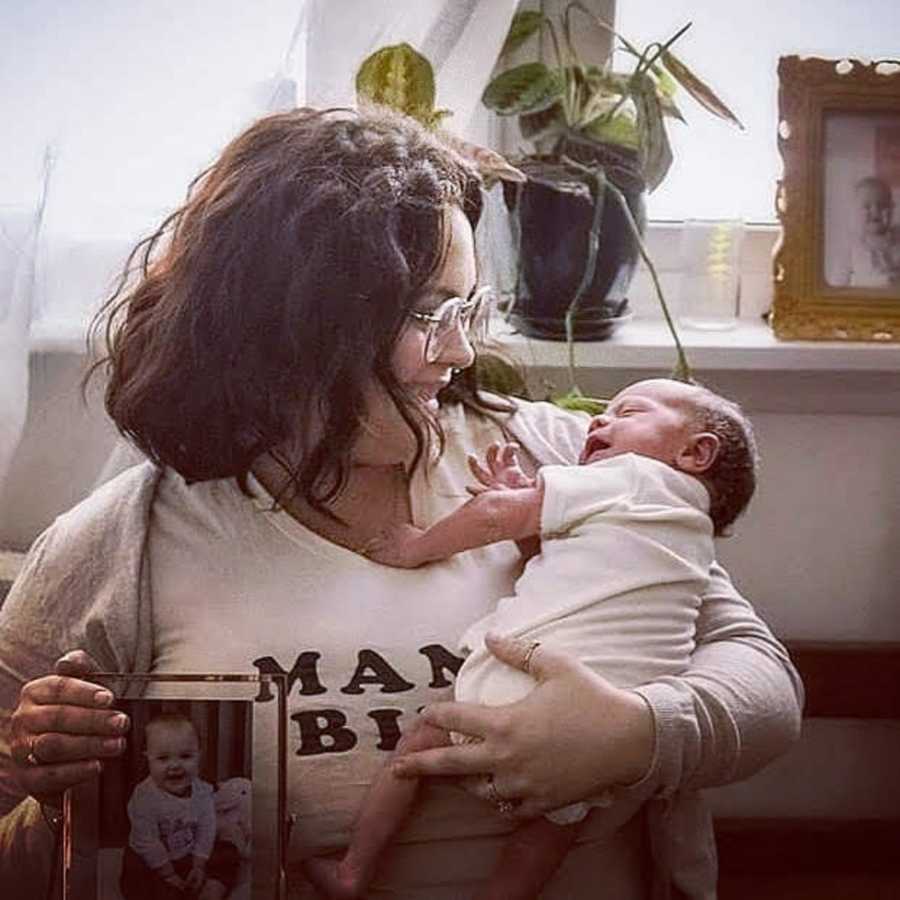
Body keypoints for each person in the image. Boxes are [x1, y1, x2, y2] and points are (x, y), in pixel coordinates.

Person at [0, 105, 802, 900]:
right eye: (427, 314)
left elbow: (765, 686)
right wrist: (55, 798)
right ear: (293, 322)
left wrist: (639, 736)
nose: (460, 350)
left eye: (466, 309)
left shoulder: (558, 456)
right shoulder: (126, 540)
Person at [305, 378, 758, 899]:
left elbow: (496, 515)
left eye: (627, 412)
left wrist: (419, 545)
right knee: (550, 831)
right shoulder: (687, 533)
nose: (597, 422)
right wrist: (530, 507)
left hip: (519, 684)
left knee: (421, 743)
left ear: (696, 452)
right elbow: (562, 565)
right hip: (605, 730)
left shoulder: (634, 476)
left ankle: (353, 870)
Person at [120, 712, 239, 900]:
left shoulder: (202, 792)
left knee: (228, 852)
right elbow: (148, 842)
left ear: (199, 754)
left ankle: (212, 888)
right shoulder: (144, 798)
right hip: (151, 859)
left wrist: (199, 864)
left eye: (185, 756)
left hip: (189, 852)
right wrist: (169, 875)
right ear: (148, 758)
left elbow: (207, 828)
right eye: (163, 758)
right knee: (137, 877)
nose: (175, 765)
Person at [837, 175, 900, 288]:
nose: (875, 210)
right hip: (866, 301)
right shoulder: (852, 245)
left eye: (883, 205)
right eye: (867, 206)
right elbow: (839, 282)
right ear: (855, 211)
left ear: (892, 208)